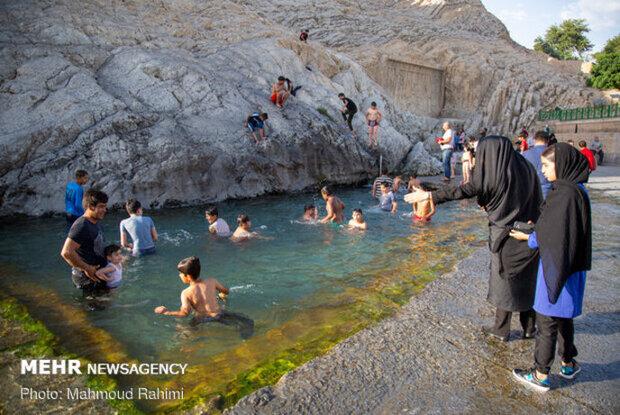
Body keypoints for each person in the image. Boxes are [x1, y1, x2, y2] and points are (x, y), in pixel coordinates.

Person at [405, 136, 542, 341]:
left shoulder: (494, 174)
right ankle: (529, 328)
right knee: (527, 280)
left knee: (503, 280)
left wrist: (428, 196)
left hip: (504, 235)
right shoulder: (527, 169)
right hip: (529, 231)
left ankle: (501, 330)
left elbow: (463, 190)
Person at [510, 143, 591, 391]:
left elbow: (555, 236)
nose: (543, 171)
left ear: (562, 164)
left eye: (547, 166)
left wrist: (530, 238)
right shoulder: (577, 190)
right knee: (565, 317)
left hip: (556, 269)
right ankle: (568, 363)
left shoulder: (563, 195)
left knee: (546, 322)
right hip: (573, 267)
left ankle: (540, 374)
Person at [154, 257, 254, 338]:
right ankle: (245, 335)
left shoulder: (186, 293)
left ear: (187, 276)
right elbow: (226, 291)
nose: (179, 275)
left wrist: (167, 312)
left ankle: (187, 343)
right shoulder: (212, 281)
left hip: (202, 318)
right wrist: (221, 295)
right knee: (245, 320)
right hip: (219, 314)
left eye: (180, 273)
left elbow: (184, 313)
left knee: (184, 329)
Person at [60, 189, 109, 293]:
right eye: (101, 206)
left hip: (97, 274)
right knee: (95, 306)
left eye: (105, 206)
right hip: (88, 278)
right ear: (91, 206)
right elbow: (66, 252)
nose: (105, 210)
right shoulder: (81, 225)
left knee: (104, 305)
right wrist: (87, 268)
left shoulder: (94, 222)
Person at [523, 131, 552, 199]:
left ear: (534, 140)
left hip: (530, 190)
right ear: (548, 140)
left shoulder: (525, 154)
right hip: (549, 190)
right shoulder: (553, 153)